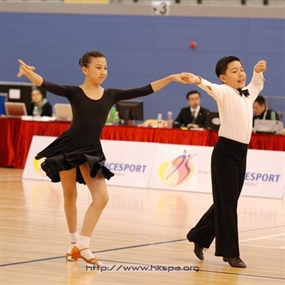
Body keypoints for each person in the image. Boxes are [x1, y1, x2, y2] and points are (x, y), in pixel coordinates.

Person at [17, 51, 189, 265]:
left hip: (91, 151)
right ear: (85, 70)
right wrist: (28, 73)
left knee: (101, 198)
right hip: (69, 147)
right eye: (98, 67)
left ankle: (83, 243)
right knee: (70, 196)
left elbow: (145, 90)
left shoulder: (111, 94)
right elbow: (46, 84)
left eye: (105, 67)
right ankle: (74, 244)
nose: (103, 71)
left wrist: (171, 78)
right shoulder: (74, 92)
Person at [184, 56, 266, 268]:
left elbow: (256, 84)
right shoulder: (223, 92)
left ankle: (199, 236)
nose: (240, 74)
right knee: (228, 204)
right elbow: (209, 87)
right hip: (225, 153)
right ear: (223, 77)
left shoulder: (247, 95)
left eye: (241, 70)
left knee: (227, 202)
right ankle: (230, 253)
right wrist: (197, 80)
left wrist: (257, 71)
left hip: (241, 152)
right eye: (234, 71)